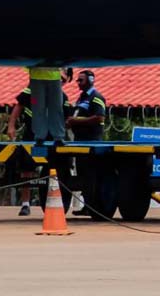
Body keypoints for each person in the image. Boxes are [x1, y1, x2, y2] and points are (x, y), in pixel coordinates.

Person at [7, 72, 72, 216]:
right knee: (27, 169)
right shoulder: (32, 90)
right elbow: (19, 106)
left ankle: (54, 202)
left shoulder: (64, 98)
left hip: (53, 141)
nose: (60, 81)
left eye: (62, 80)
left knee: (54, 168)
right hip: (32, 138)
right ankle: (25, 204)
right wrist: (11, 126)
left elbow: (67, 119)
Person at [67, 70, 107, 216]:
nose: (78, 83)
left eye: (81, 80)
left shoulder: (96, 97)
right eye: (77, 80)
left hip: (91, 143)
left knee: (91, 175)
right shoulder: (80, 99)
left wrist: (76, 121)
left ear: (90, 80)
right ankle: (87, 205)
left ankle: (93, 206)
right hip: (79, 142)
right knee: (83, 174)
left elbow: (100, 118)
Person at [28, 65, 68, 145]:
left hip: (54, 77)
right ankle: (40, 137)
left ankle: (58, 137)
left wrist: (67, 68)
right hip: (36, 77)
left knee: (56, 108)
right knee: (38, 108)